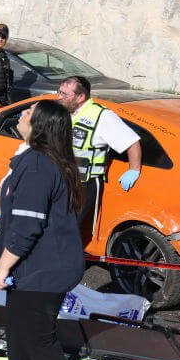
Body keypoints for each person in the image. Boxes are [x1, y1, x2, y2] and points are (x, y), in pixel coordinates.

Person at [0, 99, 87, 360]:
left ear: (41, 127)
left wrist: (1, 268)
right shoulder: (42, 161)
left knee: (38, 337)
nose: (21, 115)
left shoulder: (37, 165)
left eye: (28, 114)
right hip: (36, 265)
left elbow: (27, 226)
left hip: (45, 269)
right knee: (17, 327)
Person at [56, 76, 142, 240]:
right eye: (59, 92)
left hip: (83, 184)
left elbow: (132, 142)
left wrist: (134, 170)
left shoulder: (102, 116)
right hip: (62, 180)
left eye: (65, 94)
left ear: (81, 97)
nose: (59, 97)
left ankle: (65, 263)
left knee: (67, 231)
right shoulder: (65, 110)